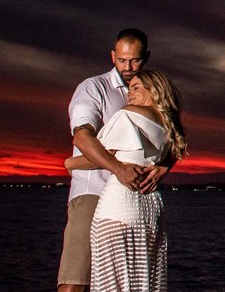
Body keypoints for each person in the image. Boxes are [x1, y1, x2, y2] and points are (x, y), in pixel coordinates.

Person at [57, 29, 171, 292]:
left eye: (135, 60)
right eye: (121, 60)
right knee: (76, 280)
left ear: (147, 57)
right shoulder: (93, 88)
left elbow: (173, 138)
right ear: (112, 56)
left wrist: (165, 166)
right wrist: (118, 168)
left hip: (135, 202)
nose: (128, 67)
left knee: (129, 282)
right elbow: (82, 138)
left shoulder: (149, 94)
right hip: (93, 192)